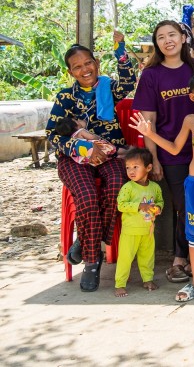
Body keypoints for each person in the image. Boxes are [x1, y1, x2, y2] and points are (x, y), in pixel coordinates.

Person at [46, 31, 136, 292]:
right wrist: (83, 147)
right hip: (74, 159)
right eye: (77, 67)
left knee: (117, 185)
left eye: (88, 63)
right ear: (71, 72)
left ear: (96, 62)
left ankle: (85, 242)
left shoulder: (110, 88)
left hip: (109, 155)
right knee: (86, 197)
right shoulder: (64, 97)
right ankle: (92, 262)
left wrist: (120, 50)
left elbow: (129, 81)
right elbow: (52, 135)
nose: (84, 69)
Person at [129, 71, 194, 303]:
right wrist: (150, 133)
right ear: (193, 97)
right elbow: (174, 148)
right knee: (193, 234)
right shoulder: (191, 120)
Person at [133, 20, 194, 284]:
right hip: (170, 152)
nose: (167, 40)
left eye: (172, 35)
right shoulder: (151, 75)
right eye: (161, 37)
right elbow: (148, 121)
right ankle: (179, 259)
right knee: (185, 206)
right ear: (157, 44)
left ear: (183, 38)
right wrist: (152, 158)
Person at [114, 148, 164, 298]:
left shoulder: (155, 188)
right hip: (130, 231)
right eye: (128, 167)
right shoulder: (128, 187)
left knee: (147, 257)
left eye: (135, 167)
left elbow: (160, 201)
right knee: (125, 258)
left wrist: (159, 208)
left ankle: (147, 279)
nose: (131, 171)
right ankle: (120, 284)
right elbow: (120, 205)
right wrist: (139, 206)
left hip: (148, 230)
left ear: (148, 168)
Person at [54, 117, 119, 165]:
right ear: (76, 124)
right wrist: (98, 137)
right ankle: (125, 153)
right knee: (115, 150)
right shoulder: (81, 131)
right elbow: (92, 137)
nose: (79, 120)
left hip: (87, 159)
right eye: (77, 120)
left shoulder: (72, 138)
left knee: (108, 157)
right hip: (97, 149)